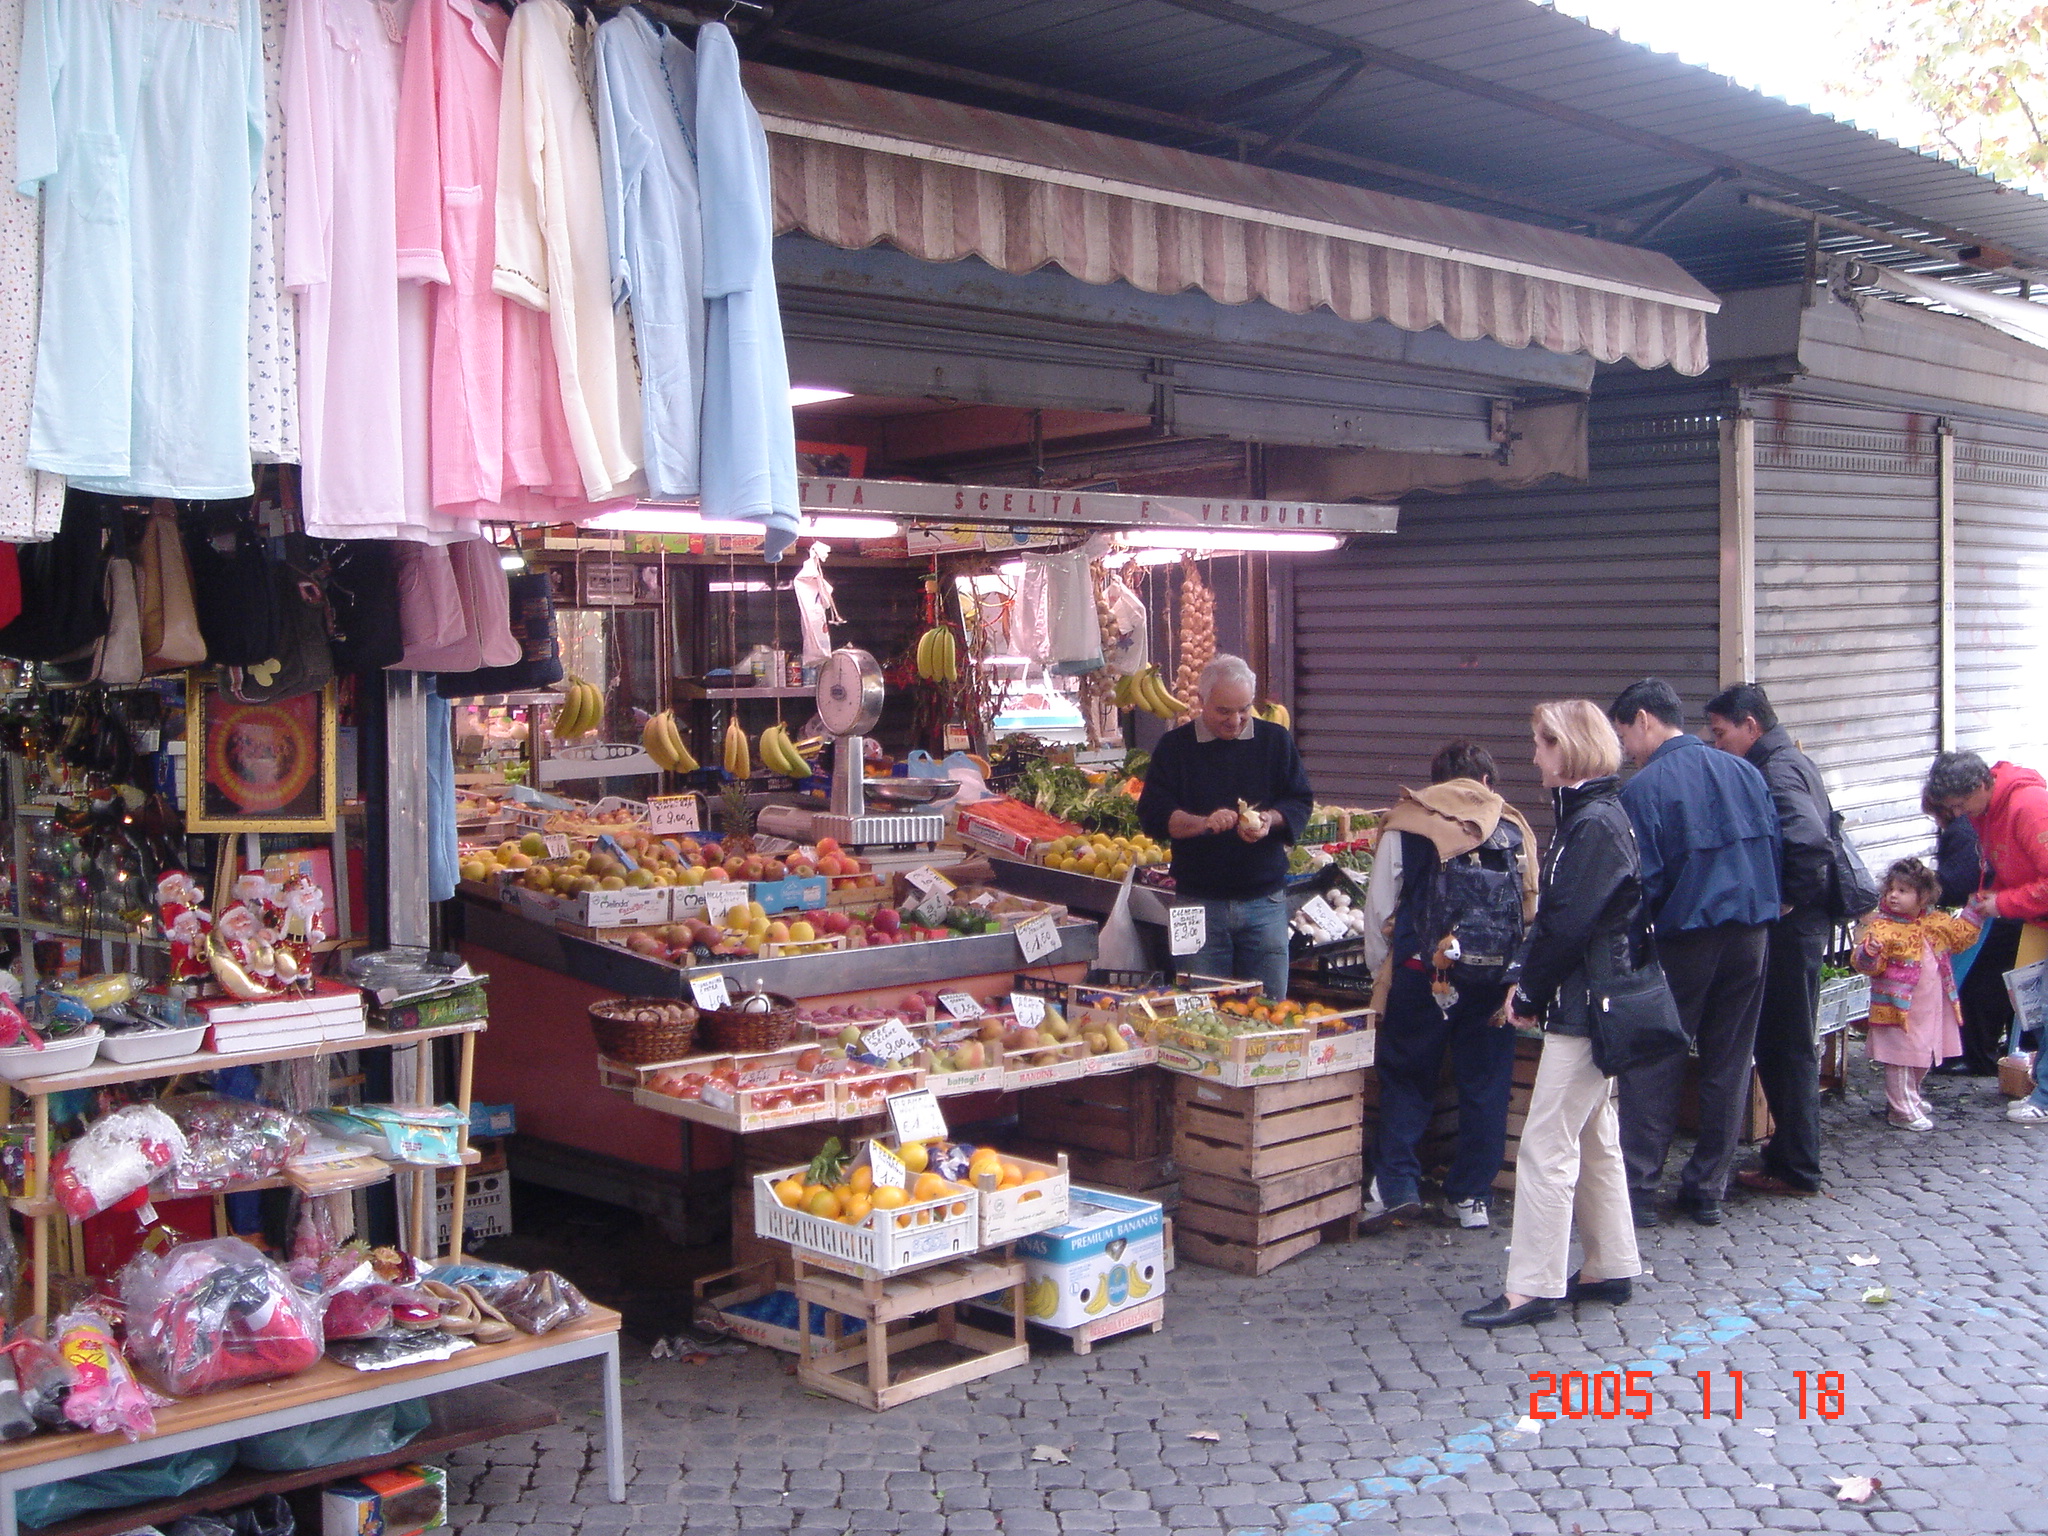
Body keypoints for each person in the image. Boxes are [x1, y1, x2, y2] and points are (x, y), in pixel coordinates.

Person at [1462, 701, 1644, 1330]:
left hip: (1589, 1003)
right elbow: (1565, 919)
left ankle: (1533, 1286)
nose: (1534, 755)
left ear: (1567, 749)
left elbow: (1569, 923)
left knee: (1546, 1144)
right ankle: (1610, 1264)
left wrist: (1531, 989)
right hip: (1594, 997)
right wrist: (1527, 979)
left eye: (1541, 744)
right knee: (1594, 1133)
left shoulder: (1591, 824)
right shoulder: (1590, 818)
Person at [1607, 679, 1780, 1227]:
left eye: (1624, 736)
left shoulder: (1645, 789)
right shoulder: (1745, 772)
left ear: (1644, 720)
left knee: (1657, 1059)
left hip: (1685, 938)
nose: (1625, 750)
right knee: (1729, 1062)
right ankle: (1707, 1187)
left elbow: (1643, 881)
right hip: (1751, 934)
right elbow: (1773, 844)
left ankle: (1638, 1186)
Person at [1358, 741, 1538, 1231]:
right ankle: (1471, 1197)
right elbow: (1530, 909)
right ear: (1488, 782)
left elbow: (1379, 909)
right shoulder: (1515, 825)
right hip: (1492, 981)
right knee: (1485, 1085)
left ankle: (1394, 1184)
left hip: (1422, 975)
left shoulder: (1406, 822)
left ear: (1435, 782)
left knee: (1408, 1077)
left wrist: (1383, 972)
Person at [1704, 684, 1838, 1199]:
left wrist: (1786, 899)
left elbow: (1808, 841)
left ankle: (1796, 1167)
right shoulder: (1788, 759)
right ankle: (1789, 1158)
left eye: (1721, 734)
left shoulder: (1777, 769)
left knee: (1786, 1046)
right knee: (1789, 1044)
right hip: (1803, 925)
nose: (1719, 747)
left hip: (1793, 929)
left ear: (1750, 726)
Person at [1137, 654, 1313, 1001]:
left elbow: (1299, 800)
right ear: (1202, 702)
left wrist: (1269, 821)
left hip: (1265, 902)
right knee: (1201, 1009)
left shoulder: (1275, 741)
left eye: (1244, 709)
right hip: (1198, 902)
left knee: (1268, 1009)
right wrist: (1203, 824)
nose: (1236, 721)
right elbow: (1154, 815)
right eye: (1224, 712)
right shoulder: (1175, 748)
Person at [1922, 750, 2048, 1124]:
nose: (1959, 815)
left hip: (2034, 912)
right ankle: (2040, 1085)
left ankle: (2045, 1096)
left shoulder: (2028, 806)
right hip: (2036, 919)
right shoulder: (1985, 810)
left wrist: (2003, 903)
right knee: (2034, 1007)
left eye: (1961, 805)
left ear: (1980, 786)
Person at [1849, 858, 1983, 1132]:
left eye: (1903, 890)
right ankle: (1900, 1108)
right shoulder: (1882, 927)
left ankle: (1910, 1095)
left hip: (1930, 1006)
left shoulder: (1936, 924)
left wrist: (1975, 910)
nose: (1893, 895)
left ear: (1923, 897)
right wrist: (1870, 951)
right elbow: (1865, 965)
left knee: (1922, 1053)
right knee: (1900, 1056)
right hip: (1898, 1008)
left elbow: (1962, 936)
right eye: (1891, 890)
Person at [1924, 793, 2002, 1075]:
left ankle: (1976, 1055)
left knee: (1980, 986)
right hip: (2000, 907)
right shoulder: (1976, 824)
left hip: (1991, 912)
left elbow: (1958, 881)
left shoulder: (1961, 830)